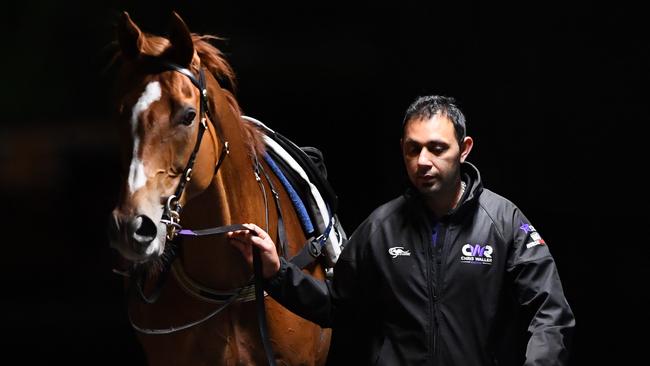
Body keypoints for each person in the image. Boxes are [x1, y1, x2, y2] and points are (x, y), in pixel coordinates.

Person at [229, 95, 575, 365]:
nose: (423, 160)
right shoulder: (381, 228)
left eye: (437, 148)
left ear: (464, 149)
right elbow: (337, 306)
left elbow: (550, 314)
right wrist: (276, 272)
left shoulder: (503, 222)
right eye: (414, 149)